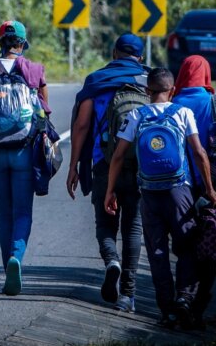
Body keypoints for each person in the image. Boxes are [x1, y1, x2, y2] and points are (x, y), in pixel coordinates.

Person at [104, 67, 216, 328]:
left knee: (156, 253)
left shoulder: (137, 114)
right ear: (173, 91)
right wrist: (210, 189)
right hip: (180, 191)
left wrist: (111, 190)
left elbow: (119, 156)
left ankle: (166, 309)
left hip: (149, 193)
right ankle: (184, 300)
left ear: (147, 92)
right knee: (187, 246)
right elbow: (199, 153)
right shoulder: (182, 112)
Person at [66, 33, 149, 312]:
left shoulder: (97, 81)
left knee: (105, 224)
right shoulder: (148, 81)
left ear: (114, 53)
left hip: (104, 161)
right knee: (133, 228)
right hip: (141, 165)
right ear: (140, 56)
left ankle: (111, 260)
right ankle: (128, 294)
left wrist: (74, 166)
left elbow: (81, 126)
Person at [0, 21, 49, 295]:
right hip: (24, 153)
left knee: (4, 213)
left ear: (0, 42)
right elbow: (43, 115)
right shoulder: (35, 71)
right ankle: (17, 256)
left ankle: (7, 269)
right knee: (22, 212)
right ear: (23, 44)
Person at [173, 55, 216, 328]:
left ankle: (183, 299)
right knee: (210, 242)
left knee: (186, 243)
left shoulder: (173, 103)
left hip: (180, 186)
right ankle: (198, 308)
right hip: (213, 185)